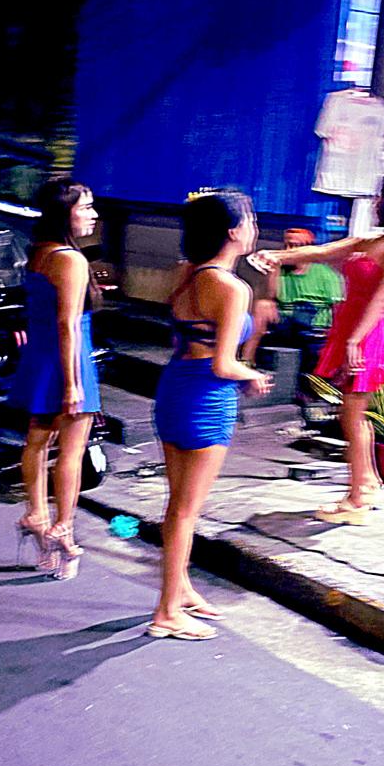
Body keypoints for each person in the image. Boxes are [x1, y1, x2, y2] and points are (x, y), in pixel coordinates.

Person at [254, 174, 384, 524]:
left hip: (369, 332)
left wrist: (354, 340)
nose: (375, 203)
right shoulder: (370, 240)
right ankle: (367, 483)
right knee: (353, 413)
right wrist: (276, 255)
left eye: (381, 197)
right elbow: (320, 251)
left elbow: (382, 297)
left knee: (351, 414)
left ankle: (357, 498)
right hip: (351, 327)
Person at [151, 189, 273, 640]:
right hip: (207, 397)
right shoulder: (233, 288)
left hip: (175, 389)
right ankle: (166, 612)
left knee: (177, 505)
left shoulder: (186, 274)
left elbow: (187, 340)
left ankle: (180, 589)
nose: (254, 227)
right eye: (250, 220)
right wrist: (252, 375)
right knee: (186, 511)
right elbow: (224, 365)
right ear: (233, 231)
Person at [11, 179, 102, 581]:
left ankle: (36, 514)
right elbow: (69, 325)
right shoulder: (71, 259)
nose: (93, 215)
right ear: (65, 213)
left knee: (37, 440)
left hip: (40, 357)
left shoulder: (39, 253)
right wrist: (73, 383)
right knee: (71, 450)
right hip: (69, 360)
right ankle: (64, 528)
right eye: (86, 207)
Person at [242, 227, 343, 362]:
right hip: (286, 319)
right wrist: (275, 270)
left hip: (314, 322)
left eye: (296, 246)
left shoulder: (326, 274)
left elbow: (338, 308)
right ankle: (246, 360)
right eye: (287, 245)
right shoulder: (279, 271)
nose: (289, 250)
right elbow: (269, 296)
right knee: (261, 306)